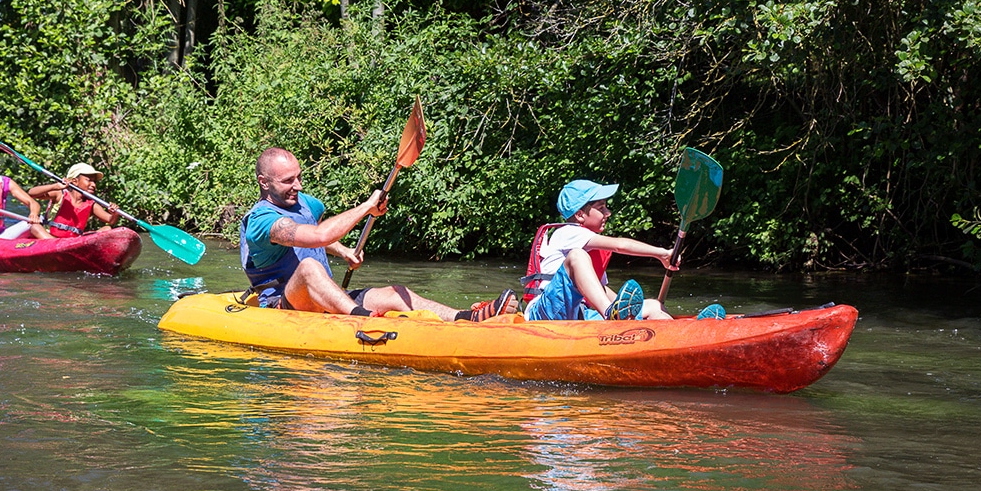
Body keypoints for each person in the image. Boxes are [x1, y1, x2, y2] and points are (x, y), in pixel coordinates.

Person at [241, 147, 515, 321]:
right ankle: (363, 319)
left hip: (323, 298)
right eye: (288, 180)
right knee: (310, 267)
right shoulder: (262, 220)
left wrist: (343, 250)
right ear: (264, 182)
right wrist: (365, 207)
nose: (298, 186)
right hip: (284, 306)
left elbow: (311, 236)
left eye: (299, 177)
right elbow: (317, 236)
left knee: (397, 293)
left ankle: (467, 318)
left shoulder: (308, 204)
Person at [524, 179, 724, 321]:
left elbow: (600, 291)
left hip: (580, 313)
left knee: (654, 305)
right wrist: (662, 253)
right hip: (544, 312)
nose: (608, 212)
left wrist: (632, 310)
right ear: (579, 215)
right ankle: (611, 316)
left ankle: (683, 334)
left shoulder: (586, 249)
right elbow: (620, 245)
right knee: (577, 256)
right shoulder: (567, 232)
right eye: (601, 208)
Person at [26, 162, 123, 237]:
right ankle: (60, 248)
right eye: (89, 180)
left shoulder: (91, 205)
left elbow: (110, 220)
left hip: (73, 241)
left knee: (107, 228)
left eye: (94, 181)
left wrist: (114, 213)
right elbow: (32, 193)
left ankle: (72, 249)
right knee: (36, 227)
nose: (93, 185)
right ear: (75, 181)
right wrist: (55, 186)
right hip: (50, 238)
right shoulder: (60, 194)